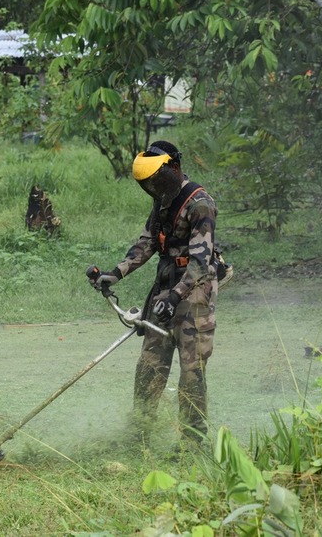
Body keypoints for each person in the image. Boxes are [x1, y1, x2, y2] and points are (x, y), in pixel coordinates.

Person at [88, 140, 218, 447]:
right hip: (164, 292)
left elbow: (200, 263)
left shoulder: (200, 203)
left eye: (158, 179)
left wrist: (175, 297)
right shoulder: (162, 201)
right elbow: (147, 243)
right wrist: (115, 272)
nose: (154, 187)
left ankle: (192, 441)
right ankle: (141, 431)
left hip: (193, 296)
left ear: (174, 168)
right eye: (149, 183)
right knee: (150, 364)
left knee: (191, 370)